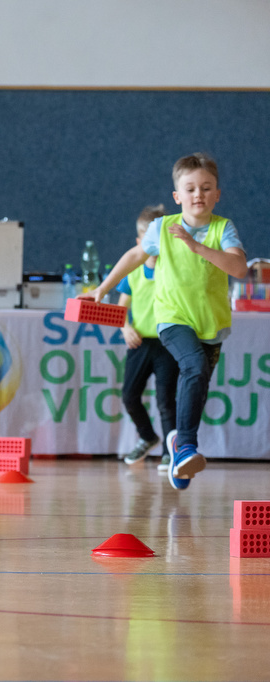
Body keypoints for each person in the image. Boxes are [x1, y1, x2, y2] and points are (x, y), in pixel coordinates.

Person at [85, 153, 247, 490]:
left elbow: (238, 268)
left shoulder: (223, 228)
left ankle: (178, 456)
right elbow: (135, 255)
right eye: (190, 188)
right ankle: (185, 446)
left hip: (211, 325)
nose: (198, 194)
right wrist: (103, 288)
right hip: (172, 319)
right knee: (193, 367)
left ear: (217, 194)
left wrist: (196, 246)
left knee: (197, 387)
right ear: (177, 196)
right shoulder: (162, 228)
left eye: (206, 188)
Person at [116, 204, 179, 469]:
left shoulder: (173, 270)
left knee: (166, 401)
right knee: (130, 396)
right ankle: (147, 437)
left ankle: (170, 452)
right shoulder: (132, 272)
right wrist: (125, 328)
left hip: (168, 344)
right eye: (146, 240)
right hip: (140, 343)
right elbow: (121, 308)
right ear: (138, 242)